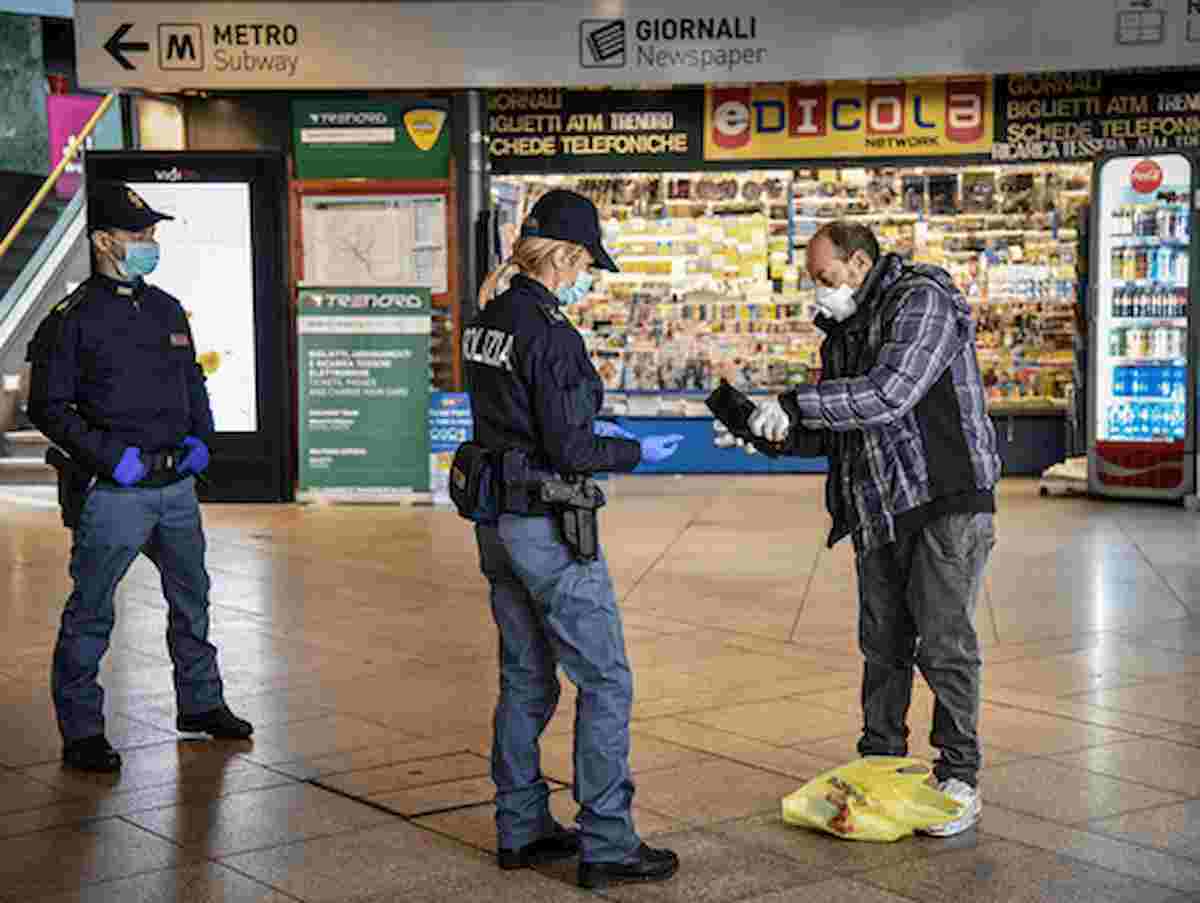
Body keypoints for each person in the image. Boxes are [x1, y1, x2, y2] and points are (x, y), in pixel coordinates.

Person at [717, 221, 998, 836]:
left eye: (824, 276)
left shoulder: (923, 299)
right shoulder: (843, 329)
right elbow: (839, 429)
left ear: (860, 263)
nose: (817, 289)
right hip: (879, 504)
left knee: (943, 642)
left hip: (944, 497)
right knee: (883, 644)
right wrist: (758, 423)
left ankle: (959, 774)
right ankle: (880, 763)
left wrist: (796, 404)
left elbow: (889, 394)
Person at [465, 189, 682, 889]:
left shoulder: (489, 319)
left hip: (497, 521)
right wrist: (633, 450)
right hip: (546, 525)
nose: (587, 277)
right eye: (587, 264)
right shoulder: (550, 333)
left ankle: (521, 826)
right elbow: (569, 447)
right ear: (565, 257)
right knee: (605, 678)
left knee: (525, 676)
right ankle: (608, 841)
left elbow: (520, 416)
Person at [25, 181, 252, 773]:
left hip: (176, 489)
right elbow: (48, 407)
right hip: (115, 493)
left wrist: (202, 439)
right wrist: (109, 459)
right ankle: (82, 732)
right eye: (138, 234)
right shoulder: (71, 320)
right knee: (92, 612)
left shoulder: (166, 309)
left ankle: (201, 704)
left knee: (192, 601)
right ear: (104, 241)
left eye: (151, 233)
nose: (150, 243)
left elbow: (193, 382)